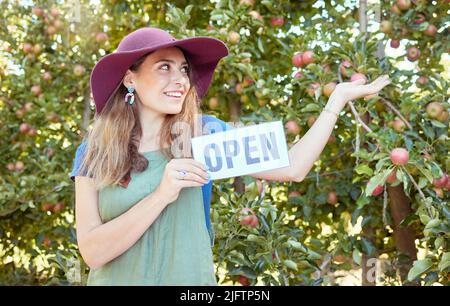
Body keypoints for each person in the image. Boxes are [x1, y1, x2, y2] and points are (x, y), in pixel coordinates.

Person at [70, 27, 391, 285]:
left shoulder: (204, 136)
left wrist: (335, 101)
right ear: (130, 78)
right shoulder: (94, 154)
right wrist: (161, 194)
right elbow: (93, 252)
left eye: (183, 69)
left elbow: (293, 167)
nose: (180, 80)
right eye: (164, 67)